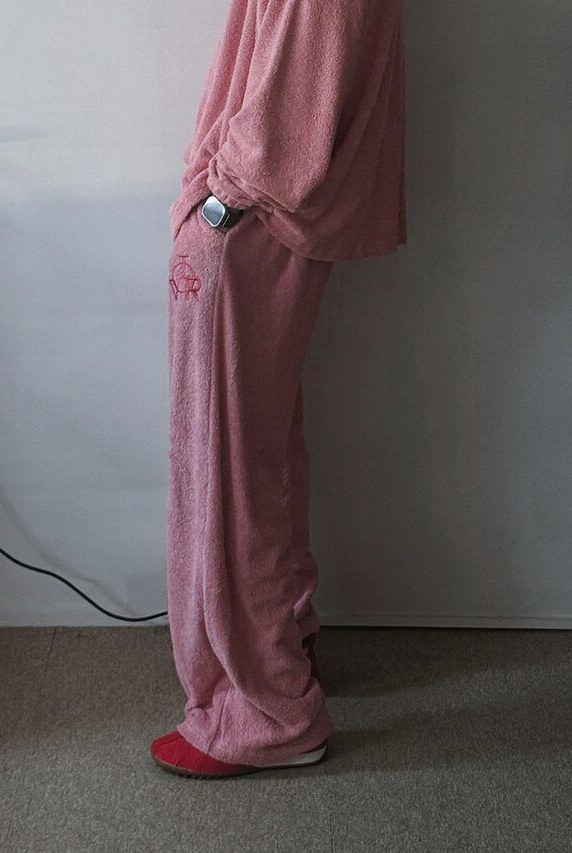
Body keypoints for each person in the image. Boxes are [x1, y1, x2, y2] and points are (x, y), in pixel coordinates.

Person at [150, 0, 407, 779]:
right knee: (257, 453)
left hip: (249, 225)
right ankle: (282, 651)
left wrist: (219, 203)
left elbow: (291, 107)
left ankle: (263, 711)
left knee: (226, 468)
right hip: (258, 221)